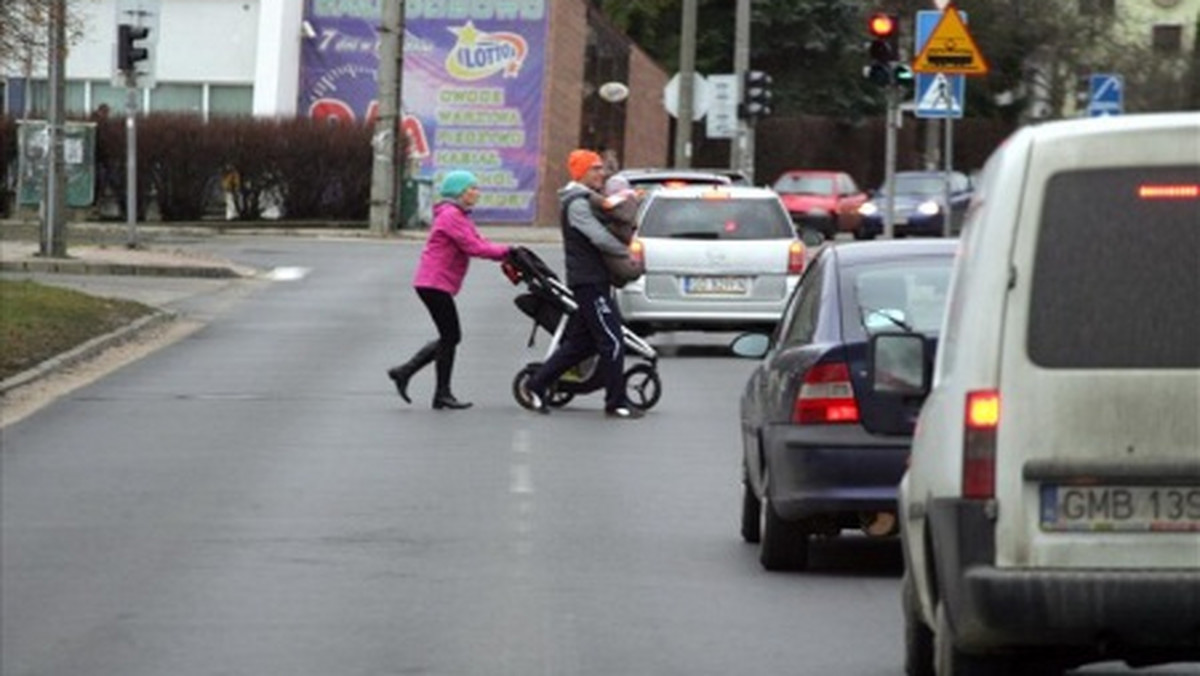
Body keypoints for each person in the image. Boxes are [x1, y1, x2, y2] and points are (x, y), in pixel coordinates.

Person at [522, 149, 643, 419]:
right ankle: (616, 403)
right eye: (595, 168)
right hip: (589, 282)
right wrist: (627, 252)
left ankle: (537, 384)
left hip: (594, 280)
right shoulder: (577, 203)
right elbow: (597, 237)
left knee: (582, 344)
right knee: (612, 341)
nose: (602, 173)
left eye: (602, 168)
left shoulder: (587, 199)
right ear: (582, 173)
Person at [386, 170, 511, 410]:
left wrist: (508, 251)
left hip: (435, 283)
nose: (477, 192)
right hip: (433, 283)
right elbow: (474, 247)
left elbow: (481, 242)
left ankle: (412, 377)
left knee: (449, 337)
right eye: (471, 188)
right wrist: (508, 252)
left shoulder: (459, 216)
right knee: (451, 336)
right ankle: (428, 385)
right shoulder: (451, 216)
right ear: (459, 192)